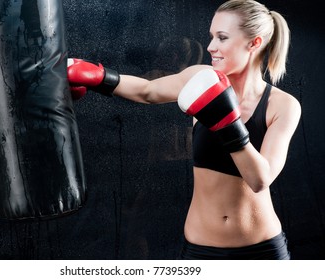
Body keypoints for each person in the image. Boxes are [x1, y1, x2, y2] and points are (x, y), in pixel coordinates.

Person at [67, 0, 301, 260]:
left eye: (222, 38)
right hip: (201, 249)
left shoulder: (283, 105)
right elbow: (147, 91)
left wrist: (227, 123)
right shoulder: (201, 79)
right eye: (212, 36)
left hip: (262, 250)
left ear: (254, 43)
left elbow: (260, 179)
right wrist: (99, 76)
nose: (211, 47)